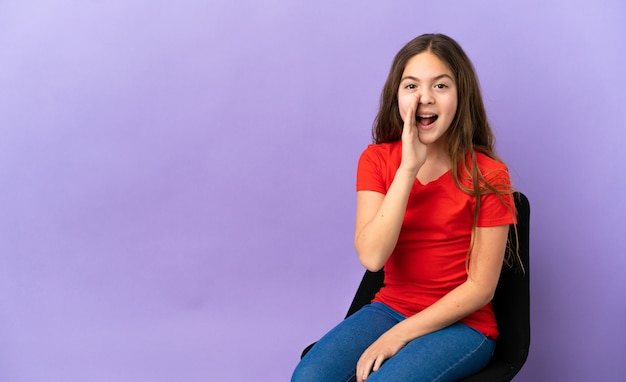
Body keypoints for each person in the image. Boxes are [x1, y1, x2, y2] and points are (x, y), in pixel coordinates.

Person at [291, 33, 519, 382]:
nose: (424, 98)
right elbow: (372, 257)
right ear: (397, 96)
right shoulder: (377, 160)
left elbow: (480, 289)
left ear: (461, 96)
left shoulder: (489, 174)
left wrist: (401, 335)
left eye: (440, 86)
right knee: (308, 378)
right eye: (411, 86)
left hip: (464, 325)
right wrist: (408, 168)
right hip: (389, 309)